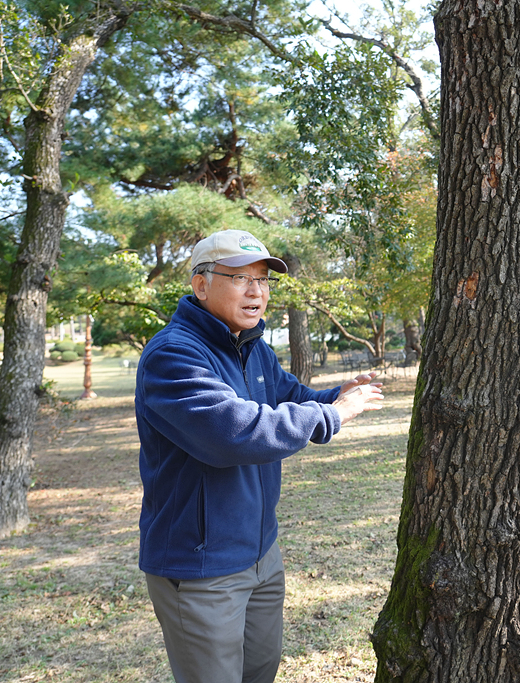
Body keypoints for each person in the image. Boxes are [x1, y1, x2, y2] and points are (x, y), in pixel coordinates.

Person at [135, 229, 384, 683]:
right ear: (201, 284)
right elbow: (236, 434)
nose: (256, 291)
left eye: (264, 281)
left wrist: (338, 393)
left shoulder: (252, 347)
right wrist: (333, 414)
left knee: (260, 673)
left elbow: (293, 396)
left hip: (261, 552)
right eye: (240, 278)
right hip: (201, 566)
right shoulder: (173, 355)